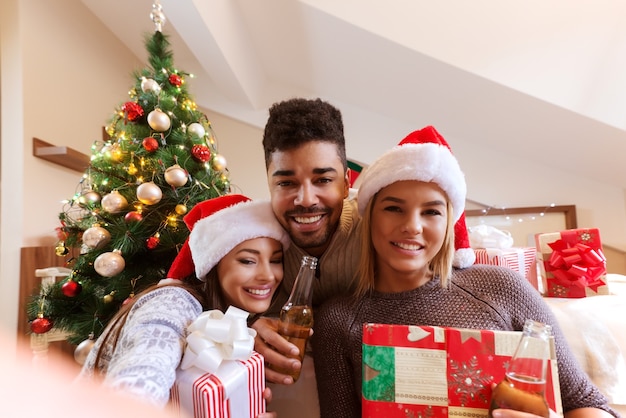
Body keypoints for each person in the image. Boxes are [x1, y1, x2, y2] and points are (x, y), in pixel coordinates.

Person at [312, 126, 618, 418]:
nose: (412, 226)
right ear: (370, 216)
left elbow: (585, 402)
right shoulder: (338, 320)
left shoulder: (501, 288)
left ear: (448, 224)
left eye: (431, 212)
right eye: (394, 208)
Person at [79, 194, 290, 418]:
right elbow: (140, 380)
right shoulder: (173, 302)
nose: (268, 275)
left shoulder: (237, 321)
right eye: (248, 261)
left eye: (276, 260)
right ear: (214, 264)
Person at [251, 97, 363, 415]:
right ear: (269, 186)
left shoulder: (378, 229)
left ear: (346, 183)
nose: (305, 200)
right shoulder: (249, 238)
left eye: (323, 180)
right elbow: (204, 301)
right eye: (286, 182)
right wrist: (248, 325)